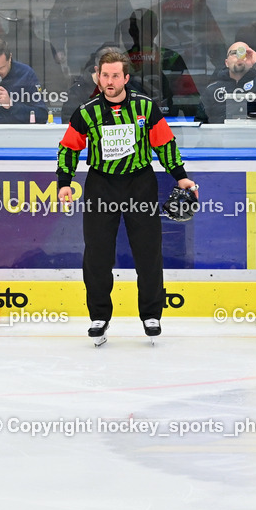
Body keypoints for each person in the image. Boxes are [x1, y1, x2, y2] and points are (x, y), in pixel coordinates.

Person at [56, 51, 197, 346]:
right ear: (98, 76)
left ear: (126, 78)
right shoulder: (86, 112)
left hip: (140, 185)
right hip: (100, 186)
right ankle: (99, 317)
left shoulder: (145, 107)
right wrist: (64, 183)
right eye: (105, 75)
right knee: (97, 255)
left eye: (115, 76)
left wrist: (181, 176)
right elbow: (69, 148)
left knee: (148, 253)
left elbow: (165, 143)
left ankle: (151, 315)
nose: (109, 81)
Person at [125, 9, 185, 115]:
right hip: (136, 115)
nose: (142, 34)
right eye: (137, 30)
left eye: (147, 29)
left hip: (165, 114)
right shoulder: (171, 56)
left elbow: (186, 93)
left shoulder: (171, 57)